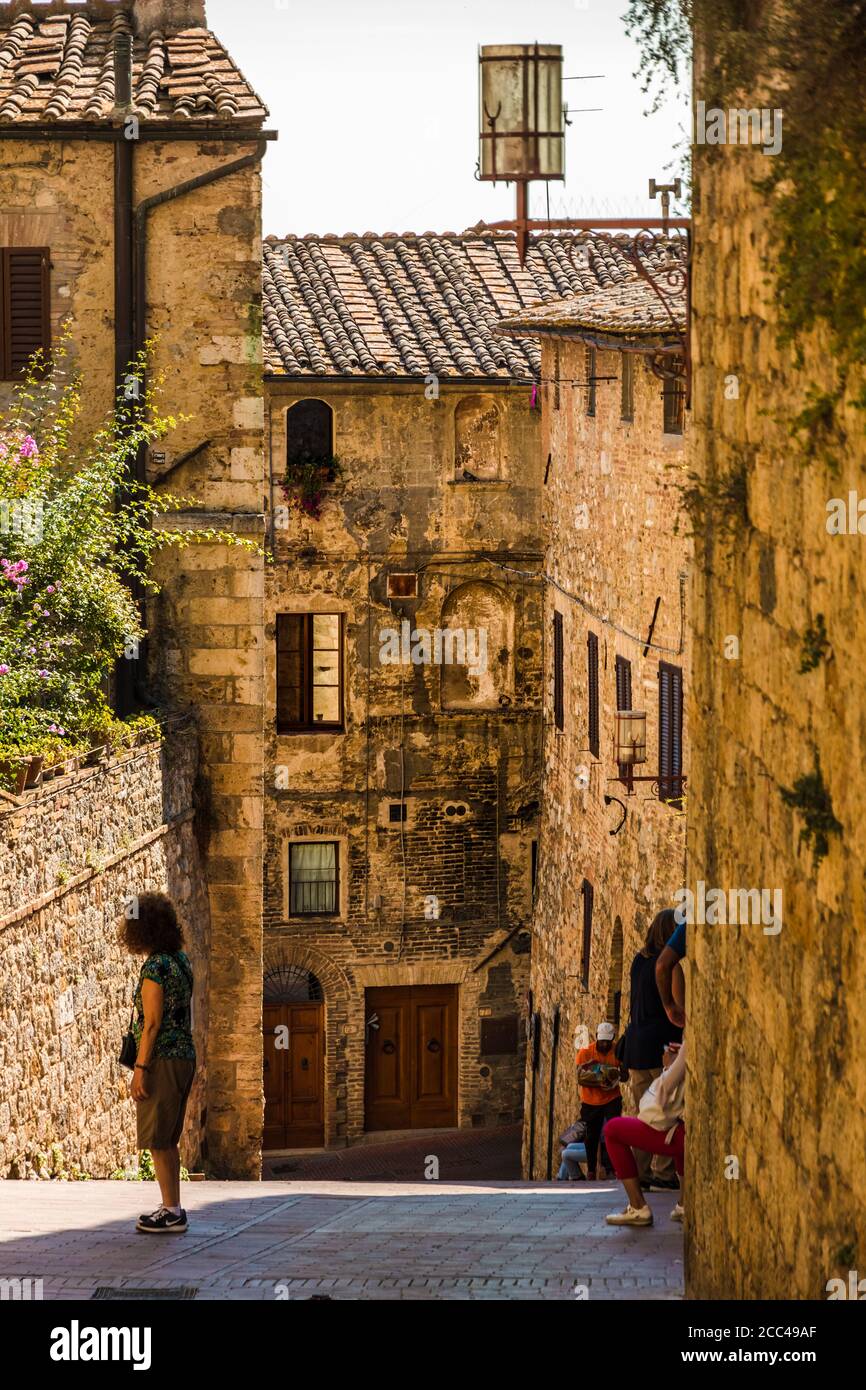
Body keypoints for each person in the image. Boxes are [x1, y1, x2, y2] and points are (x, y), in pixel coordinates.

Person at [120, 892, 196, 1234]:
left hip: (162, 1058)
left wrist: (141, 1068)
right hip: (184, 1055)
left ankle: (172, 1211)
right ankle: (172, 1206)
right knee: (168, 1136)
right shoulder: (180, 961)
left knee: (158, 1139)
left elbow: (152, 1023)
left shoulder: (155, 967)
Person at [622, 909, 684, 1190]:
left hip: (636, 1046)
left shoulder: (637, 961)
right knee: (666, 1111)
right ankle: (663, 1173)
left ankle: (643, 1173)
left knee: (643, 1113)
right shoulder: (671, 965)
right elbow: (678, 1009)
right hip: (661, 1047)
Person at [603, 1041, 686, 1227]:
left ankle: (637, 1206)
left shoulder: (688, 1047)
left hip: (679, 1135)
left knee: (613, 1130)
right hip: (685, 1132)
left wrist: (670, 1064)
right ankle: (684, 1202)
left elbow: (664, 1093)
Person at [575, 1021, 626, 1180]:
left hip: (612, 1098)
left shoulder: (617, 1051)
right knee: (591, 1136)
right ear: (596, 1037)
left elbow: (625, 1076)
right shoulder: (586, 1052)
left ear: (612, 1039)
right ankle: (591, 1170)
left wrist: (614, 1074)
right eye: (601, 1040)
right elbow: (579, 1076)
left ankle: (612, 1168)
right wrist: (590, 1067)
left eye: (607, 1041)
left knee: (612, 1133)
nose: (604, 1044)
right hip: (590, 1101)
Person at [655, 914, 686, 1028]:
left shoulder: (638, 960)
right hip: (663, 1035)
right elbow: (680, 1005)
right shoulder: (672, 966)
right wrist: (669, 1006)